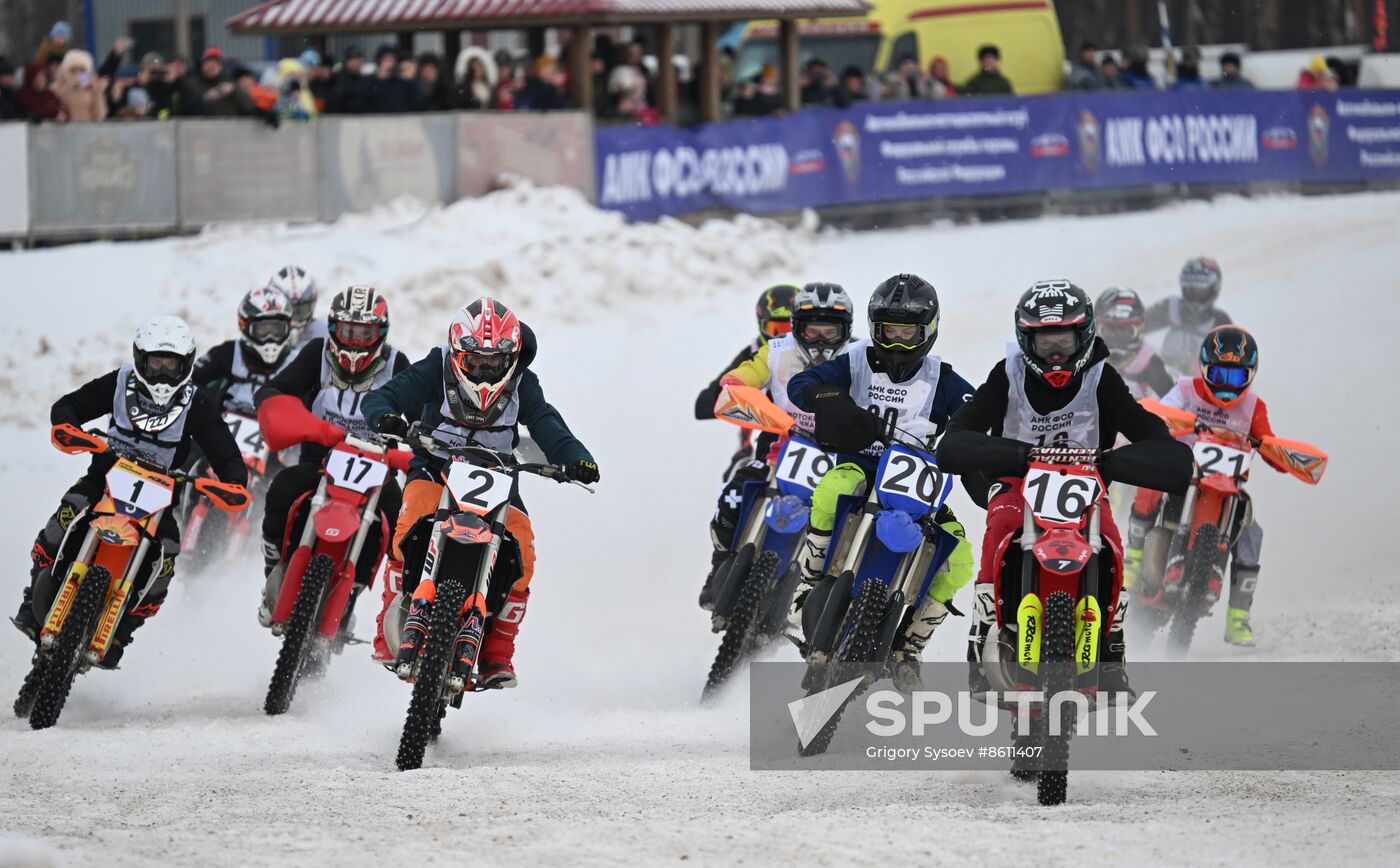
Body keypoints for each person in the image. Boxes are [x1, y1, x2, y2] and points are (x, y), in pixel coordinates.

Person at [936, 280, 1191, 700]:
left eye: (1065, 342)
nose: (1056, 354)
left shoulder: (1102, 377)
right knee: (1000, 523)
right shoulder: (1007, 373)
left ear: (1085, 337)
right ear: (1025, 341)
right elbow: (961, 429)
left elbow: (1148, 429)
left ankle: (1111, 649)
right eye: (1044, 343)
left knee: (1111, 538)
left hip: (1086, 482)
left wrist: (1148, 455)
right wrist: (1006, 454)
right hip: (1019, 478)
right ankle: (982, 630)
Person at [361, 297, 599, 686]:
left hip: (499, 477)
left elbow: (547, 424)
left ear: (513, 359)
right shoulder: (434, 367)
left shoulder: (524, 383)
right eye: (476, 362)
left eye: (495, 363)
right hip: (435, 467)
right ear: (457, 354)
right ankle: (388, 630)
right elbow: (383, 396)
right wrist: (386, 417)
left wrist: (577, 458)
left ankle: (497, 654)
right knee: (406, 527)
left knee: (523, 552)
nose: (486, 371)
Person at [11, 316, 249, 667]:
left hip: (161, 494)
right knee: (63, 518)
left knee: (167, 559)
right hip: (104, 476)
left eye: (173, 366)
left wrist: (231, 482)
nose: (164, 374)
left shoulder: (197, 403)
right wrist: (70, 427)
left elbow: (227, 453)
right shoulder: (120, 382)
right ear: (141, 359)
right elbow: (70, 405)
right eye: (156, 363)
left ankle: (121, 632)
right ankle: (33, 599)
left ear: (186, 365)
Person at [785, 274, 977, 692]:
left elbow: (978, 413)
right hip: (860, 468)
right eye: (890, 329)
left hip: (915, 488)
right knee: (831, 488)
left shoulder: (944, 379)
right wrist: (829, 400)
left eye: (908, 330)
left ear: (927, 329)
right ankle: (811, 580)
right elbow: (801, 384)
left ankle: (910, 647)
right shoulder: (853, 360)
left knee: (960, 554)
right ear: (875, 327)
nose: (899, 340)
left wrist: (976, 442)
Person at [253, 286, 409, 633]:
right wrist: (293, 416)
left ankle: (362, 595)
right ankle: (274, 569)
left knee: (403, 521)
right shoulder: (316, 353)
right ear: (333, 328)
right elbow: (276, 389)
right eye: (347, 331)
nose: (354, 342)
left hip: (378, 471)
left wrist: (415, 440)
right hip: (321, 461)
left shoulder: (398, 364)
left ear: (380, 333)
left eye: (364, 333)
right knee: (281, 488)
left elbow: (420, 413)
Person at [699, 283, 857, 609]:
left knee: (850, 516)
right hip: (779, 447)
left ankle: (827, 594)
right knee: (735, 491)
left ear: (847, 330)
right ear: (798, 327)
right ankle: (719, 564)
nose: (821, 341)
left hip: (840, 459)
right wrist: (737, 388)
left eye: (831, 331)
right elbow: (739, 377)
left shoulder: (861, 356)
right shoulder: (774, 351)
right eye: (813, 331)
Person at [1124, 326, 1278, 646]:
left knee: (1253, 533)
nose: (1225, 386)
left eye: (1235, 378)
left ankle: (1238, 618)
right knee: (1148, 485)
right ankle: (1134, 561)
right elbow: (1158, 413)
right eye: (1219, 374)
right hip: (1185, 471)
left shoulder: (1254, 408)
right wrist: (1171, 423)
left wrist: (1276, 452)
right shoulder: (1185, 389)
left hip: (1227, 488)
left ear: (1250, 376)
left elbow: (1270, 443)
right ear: (1204, 368)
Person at [693, 284, 798, 476]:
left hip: (813, 440)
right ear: (761, 326)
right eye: (776, 329)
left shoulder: (825, 348)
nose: (783, 337)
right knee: (734, 480)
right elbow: (703, 404)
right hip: (759, 445)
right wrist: (738, 393)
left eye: (790, 328)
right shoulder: (754, 354)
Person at [191, 287, 299, 415]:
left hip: (282, 430)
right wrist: (211, 399)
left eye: (277, 330)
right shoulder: (227, 353)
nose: (270, 338)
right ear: (244, 325)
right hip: (226, 431)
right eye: (263, 330)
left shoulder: (298, 361)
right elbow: (189, 383)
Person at [1143, 256, 1233, 376]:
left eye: (1201, 291)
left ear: (1214, 289)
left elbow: (1233, 365)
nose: (1195, 297)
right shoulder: (1171, 308)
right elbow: (1139, 323)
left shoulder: (1220, 322)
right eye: (1191, 290)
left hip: (1200, 387)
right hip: (1163, 380)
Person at [1097, 288, 1173, 400]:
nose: (1116, 339)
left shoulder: (1150, 363)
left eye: (1125, 331)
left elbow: (1174, 404)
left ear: (1139, 330)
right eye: (1109, 331)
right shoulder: (1088, 358)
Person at [265, 265, 324, 349]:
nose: (294, 322)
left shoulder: (322, 330)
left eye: (301, 311)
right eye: (286, 310)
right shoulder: (263, 336)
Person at [52, 49, 106, 121]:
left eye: (81, 70)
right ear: (66, 70)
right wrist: (68, 86)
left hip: (87, 129)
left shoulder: (90, 89)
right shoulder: (58, 87)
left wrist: (98, 93)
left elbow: (100, 116)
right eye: (73, 69)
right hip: (65, 130)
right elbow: (52, 109)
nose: (77, 73)